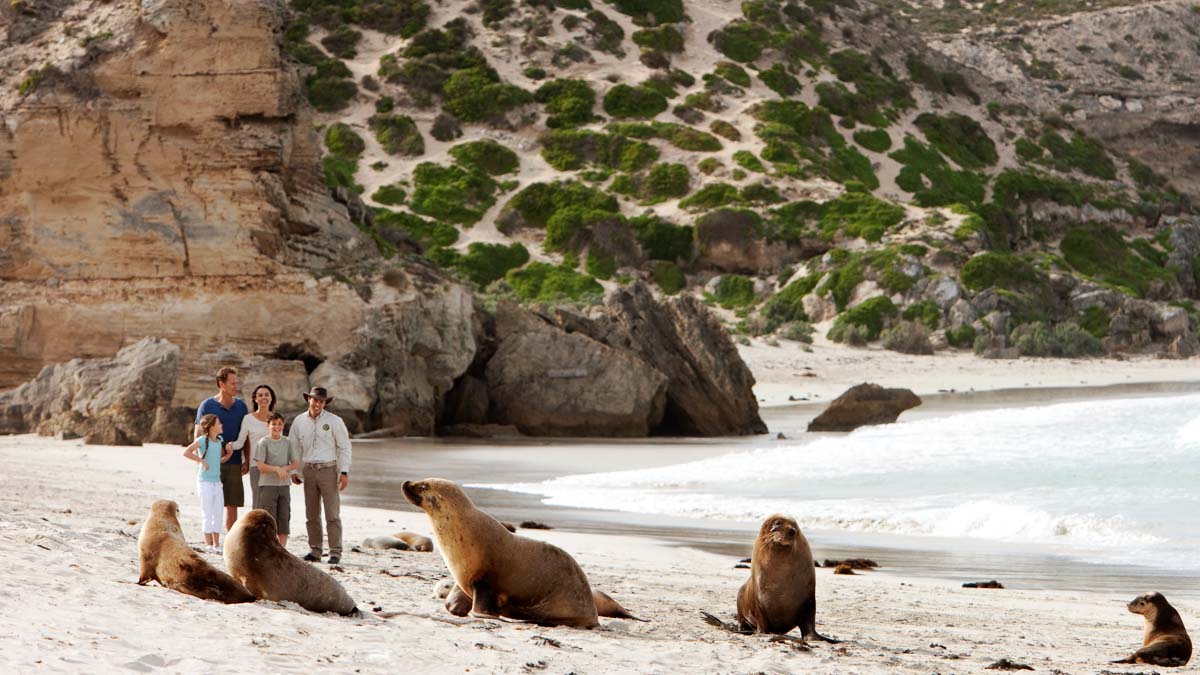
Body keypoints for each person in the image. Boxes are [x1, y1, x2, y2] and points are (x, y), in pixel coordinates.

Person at [289, 386, 351, 565]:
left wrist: (344, 471)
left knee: (332, 514)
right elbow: (294, 447)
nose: (318, 404)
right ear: (309, 399)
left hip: (329, 470)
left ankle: (335, 552)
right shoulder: (299, 421)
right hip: (308, 470)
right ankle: (315, 550)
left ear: (325, 403)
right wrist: (294, 471)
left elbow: (344, 446)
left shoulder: (335, 421)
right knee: (311, 514)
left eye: (321, 401)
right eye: (315, 400)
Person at [194, 367, 249, 533]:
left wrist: (246, 459)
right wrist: (201, 461)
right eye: (232, 383)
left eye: (237, 383)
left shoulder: (241, 407)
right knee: (212, 505)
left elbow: (244, 435)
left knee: (232, 505)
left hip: (234, 463)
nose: (236, 386)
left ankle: (231, 542)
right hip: (212, 465)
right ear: (221, 384)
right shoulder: (207, 405)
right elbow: (198, 434)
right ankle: (212, 540)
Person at [182, 414, 231, 553]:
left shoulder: (220, 440)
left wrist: (229, 454)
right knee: (207, 512)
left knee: (218, 512)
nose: (221, 425)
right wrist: (201, 461)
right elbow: (186, 452)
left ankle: (216, 544)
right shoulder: (202, 440)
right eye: (219, 423)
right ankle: (208, 544)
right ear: (211, 427)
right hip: (204, 482)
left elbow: (219, 460)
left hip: (217, 482)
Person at [252, 412, 299, 546]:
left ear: (283, 425)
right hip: (268, 486)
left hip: (284, 486)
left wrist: (285, 468)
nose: (277, 427)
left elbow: (295, 463)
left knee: (284, 518)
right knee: (269, 519)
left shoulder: (288, 442)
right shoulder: (263, 443)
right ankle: (269, 547)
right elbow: (260, 466)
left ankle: (282, 548)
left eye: (279, 424)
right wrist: (277, 469)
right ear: (268, 426)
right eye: (273, 424)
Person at [230, 384, 277, 508]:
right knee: (258, 501)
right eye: (260, 395)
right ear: (255, 399)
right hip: (256, 466)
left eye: (267, 395)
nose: (263, 397)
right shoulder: (248, 419)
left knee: (273, 503)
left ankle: (273, 527)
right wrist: (226, 446)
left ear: (271, 398)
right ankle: (257, 527)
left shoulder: (276, 419)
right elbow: (240, 442)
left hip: (275, 467)